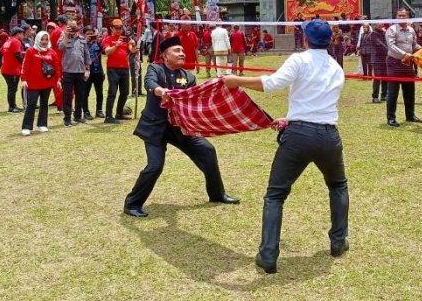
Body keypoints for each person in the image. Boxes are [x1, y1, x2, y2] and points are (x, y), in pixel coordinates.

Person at [223, 19, 349, 274]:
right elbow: (319, 104)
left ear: (304, 39)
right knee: (338, 186)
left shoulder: (299, 60)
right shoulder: (337, 67)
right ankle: (338, 242)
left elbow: (271, 84)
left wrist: (236, 80)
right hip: (328, 135)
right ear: (330, 40)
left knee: (275, 195)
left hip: (299, 135)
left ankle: (268, 255)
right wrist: (291, 118)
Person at [123, 36, 240, 218]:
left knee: (208, 151)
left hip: (180, 127)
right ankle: (132, 204)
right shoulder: (156, 69)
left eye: (183, 51)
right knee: (155, 166)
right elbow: (150, 84)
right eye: (177, 51)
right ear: (164, 55)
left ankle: (217, 194)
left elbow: (195, 101)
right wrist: (162, 92)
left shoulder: (188, 77)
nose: (182, 53)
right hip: (156, 127)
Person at [385, 8, 422, 127]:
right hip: (394, 63)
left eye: (404, 15)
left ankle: (410, 116)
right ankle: (391, 118)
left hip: (408, 64)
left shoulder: (411, 30)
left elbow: (414, 45)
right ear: (396, 17)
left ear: (408, 17)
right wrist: (404, 54)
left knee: (410, 90)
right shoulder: (391, 30)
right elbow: (391, 46)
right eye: (399, 15)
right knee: (393, 92)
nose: (401, 17)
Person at [20, 31, 61, 135]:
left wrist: (58, 80)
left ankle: (42, 124)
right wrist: (24, 79)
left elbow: (57, 67)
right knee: (31, 104)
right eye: (42, 39)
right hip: (33, 83)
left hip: (47, 83)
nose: (44, 42)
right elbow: (25, 65)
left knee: (44, 104)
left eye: (46, 39)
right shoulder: (31, 51)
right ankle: (26, 126)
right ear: (38, 39)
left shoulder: (52, 52)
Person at [102, 19, 137, 124]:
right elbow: (107, 52)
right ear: (111, 28)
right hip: (113, 68)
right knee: (112, 92)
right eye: (116, 28)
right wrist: (116, 45)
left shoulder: (126, 39)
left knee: (125, 92)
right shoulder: (108, 39)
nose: (119, 30)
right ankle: (108, 116)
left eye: (121, 28)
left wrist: (134, 45)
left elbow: (132, 50)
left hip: (125, 68)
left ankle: (119, 113)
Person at [59, 20, 91, 127]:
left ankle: (77, 115)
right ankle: (67, 118)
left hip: (80, 71)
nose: (73, 30)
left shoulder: (82, 39)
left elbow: (86, 55)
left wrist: (87, 69)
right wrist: (66, 35)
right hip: (68, 71)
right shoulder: (63, 37)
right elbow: (60, 47)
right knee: (67, 96)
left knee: (80, 95)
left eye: (74, 28)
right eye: (70, 28)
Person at [0, 27, 25, 113]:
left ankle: (13, 106)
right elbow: (18, 55)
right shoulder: (16, 41)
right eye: (22, 34)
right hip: (12, 70)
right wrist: (24, 64)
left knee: (11, 88)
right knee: (12, 89)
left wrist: (1, 66)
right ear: (18, 34)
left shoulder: (8, 41)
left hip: (6, 70)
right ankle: (12, 107)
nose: (23, 36)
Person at [83, 26, 105, 119]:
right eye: (87, 34)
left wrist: (101, 40)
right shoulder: (82, 44)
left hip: (98, 71)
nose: (90, 35)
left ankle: (99, 110)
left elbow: (104, 51)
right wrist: (85, 41)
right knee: (85, 93)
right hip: (87, 72)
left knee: (99, 92)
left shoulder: (98, 44)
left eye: (91, 33)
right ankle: (86, 111)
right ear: (84, 34)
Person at [50, 15, 68, 112]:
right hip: (68, 59)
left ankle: (59, 104)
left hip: (57, 59)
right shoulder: (70, 31)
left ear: (60, 22)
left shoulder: (56, 31)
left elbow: (51, 45)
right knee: (69, 81)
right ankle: (68, 103)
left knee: (57, 81)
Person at [369, 20, 389, 103]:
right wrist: (389, 50)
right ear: (374, 25)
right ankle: (375, 97)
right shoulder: (373, 34)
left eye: (382, 23)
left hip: (385, 58)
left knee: (385, 77)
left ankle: (384, 95)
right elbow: (380, 44)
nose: (381, 24)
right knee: (377, 78)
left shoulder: (384, 33)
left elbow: (388, 42)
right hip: (377, 59)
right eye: (379, 23)